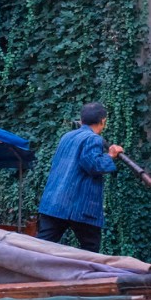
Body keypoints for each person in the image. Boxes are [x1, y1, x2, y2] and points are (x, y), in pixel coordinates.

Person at [36, 102, 123, 253]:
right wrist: (111, 155)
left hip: (55, 203)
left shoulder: (66, 136)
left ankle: (25, 272)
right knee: (91, 250)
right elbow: (94, 165)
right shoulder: (93, 139)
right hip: (80, 207)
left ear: (82, 120)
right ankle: (89, 277)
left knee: (40, 247)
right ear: (103, 121)